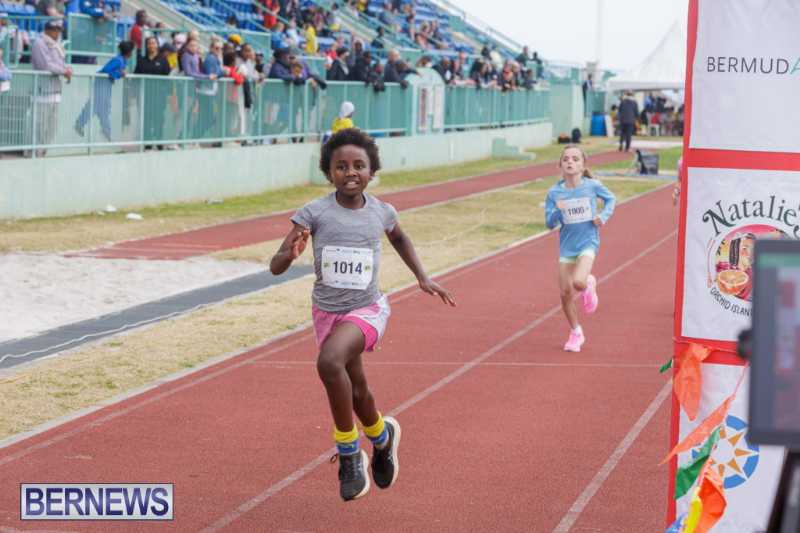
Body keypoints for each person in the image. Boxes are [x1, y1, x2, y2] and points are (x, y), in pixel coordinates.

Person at [269, 129, 455, 501]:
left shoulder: (381, 211)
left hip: (367, 310)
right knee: (357, 391)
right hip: (327, 314)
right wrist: (289, 255)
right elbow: (275, 266)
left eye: (359, 166)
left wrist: (422, 276)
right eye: (341, 166)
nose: (350, 172)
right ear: (329, 172)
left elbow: (400, 238)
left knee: (329, 362)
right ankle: (382, 437)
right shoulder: (314, 212)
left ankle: (349, 451)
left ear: (372, 171)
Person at [545, 145, 616, 352]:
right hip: (567, 246)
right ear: (560, 165)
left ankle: (589, 283)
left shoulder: (592, 186)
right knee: (565, 293)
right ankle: (576, 332)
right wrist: (557, 212)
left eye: (575, 159)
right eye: (566, 159)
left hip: (588, 242)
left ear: (583, 164)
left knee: (578, 282)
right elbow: (549, 223)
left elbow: (611, 199)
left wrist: (602, 217)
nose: (570, 162)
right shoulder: (554, 192)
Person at [74, 40, 134, 141]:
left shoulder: (123, 60)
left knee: (100, 107)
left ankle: (103, 130)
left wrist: (118, 74)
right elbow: (106, 70)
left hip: (106, 85)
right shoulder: (118, 60)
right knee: (98, 106)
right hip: (101, 84)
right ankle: (103, 131)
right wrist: (119, 74)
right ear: (129, 52)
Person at [30, 19, 72, 156]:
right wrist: (63, 71)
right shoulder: (39, 43)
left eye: (59, 31)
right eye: (55, 30)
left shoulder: (56, 44)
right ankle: (36, 152)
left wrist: (67, 69)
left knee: (52, 126)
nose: (58, 33)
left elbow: (59, 63)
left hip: (55, 89)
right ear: (48, 30)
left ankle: (44, 151)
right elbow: (45, 65)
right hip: (43, 90)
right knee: (40, 124)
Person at [134, 36, 171, 149]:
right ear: (147, 46)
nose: (151, 45)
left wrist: (168, 95)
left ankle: (159, 142)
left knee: (159, 119)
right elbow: (136, 76)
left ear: (157, 45)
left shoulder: (163, 60)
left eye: (154, 43)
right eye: (149, 43)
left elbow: (168, 78)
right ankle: (147, 144)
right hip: (145, 95)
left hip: (159, 96)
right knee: (147, 120)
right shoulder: (142, 60)